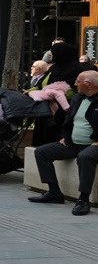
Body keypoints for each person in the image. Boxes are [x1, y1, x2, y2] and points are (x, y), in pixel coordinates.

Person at [28, 70, 98, 216]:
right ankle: (54, 192)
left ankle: (83, 200)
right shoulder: (78, 99)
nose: (75, 84)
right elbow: (68, 121)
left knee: (85, 157)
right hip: (72, 143)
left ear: (89, 84)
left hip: (93, 146)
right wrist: (65, 137)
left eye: (78, 81)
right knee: (42, 152)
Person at [32, 42, 83, 146]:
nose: (51, 54)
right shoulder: (54, 68)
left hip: (64, 109)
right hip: (47, 107)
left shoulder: (76, 68)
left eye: (54, 52)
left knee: (56, 135)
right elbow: (42, 83)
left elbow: (75, 88)